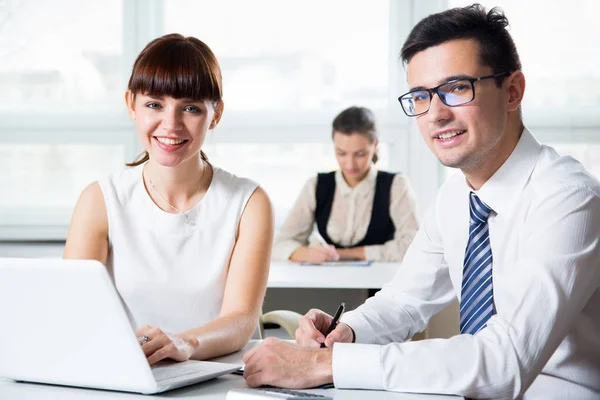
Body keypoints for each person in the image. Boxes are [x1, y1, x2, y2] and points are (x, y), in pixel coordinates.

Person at [241, 4, 600, 399]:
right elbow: (404, 301)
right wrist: (348, 332)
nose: (436, 114)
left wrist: (325, 365)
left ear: (512, 91)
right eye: (421, 96)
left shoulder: (569, 198)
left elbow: (506, 362)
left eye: (457, 88)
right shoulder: (455, 198)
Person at [63, 34, 273, 365]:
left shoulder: (249, 203)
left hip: (221, 378)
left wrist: (184, 342)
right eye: (154, 105)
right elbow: (76, 313)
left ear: (215, 115)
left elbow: (241, 320)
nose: (171, 125)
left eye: (190, 108)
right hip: (132, 376)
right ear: (131, 105)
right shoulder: (100, 199)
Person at [272, 106, 420, 263]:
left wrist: (343, 255)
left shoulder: (396, 185)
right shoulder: (315, 186)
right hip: (325, 284)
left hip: (380, 284)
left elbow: (413, 247)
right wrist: (304, 253)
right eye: (341, 153)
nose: (350, 164)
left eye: (360, 154)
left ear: (375, 145)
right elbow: (281, 243)